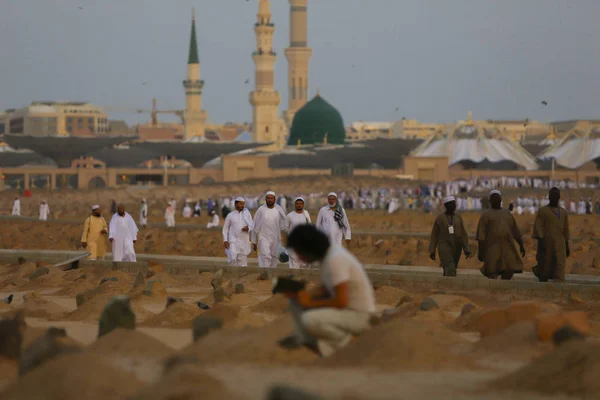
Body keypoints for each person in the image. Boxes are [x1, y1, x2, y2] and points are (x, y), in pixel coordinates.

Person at [281, 224, 376, 357]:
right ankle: (312, 343)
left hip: (359, 315)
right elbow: (327, 288)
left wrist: (310, 303)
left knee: (310, 319)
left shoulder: (335, 260)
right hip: (346, 312)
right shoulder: (328, 256)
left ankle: (348, 346)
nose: (299, 258)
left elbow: (341, 301)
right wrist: (303, 295)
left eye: (300, 253)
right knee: (295, 303)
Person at [476, 190, 525, 280]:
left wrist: (521, 245)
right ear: (490, 202)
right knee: (492, 271)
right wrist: (480, 253)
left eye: (498, 200)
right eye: (494, 200)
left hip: (507, 250)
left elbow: (516, 232)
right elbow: (481, 237)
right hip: (492, 250)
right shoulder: (485, 215)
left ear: (500, 201)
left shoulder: (507, 214)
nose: (496, 202)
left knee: (508, 270)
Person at [532, 187, 570, 282]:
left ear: (559, 197)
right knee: (545, 266)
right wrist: (541, 241)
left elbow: (566, 230)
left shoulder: (563, 212)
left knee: (559, 265)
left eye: (556, 196)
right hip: (546, 243)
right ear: (549, 197)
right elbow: (538, 227)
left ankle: (558, 287)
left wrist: (567, 245)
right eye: (552, 196)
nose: (554, 198)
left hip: (560, 244)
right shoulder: (543, 211)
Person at [429, 196, 471, 277]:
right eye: (451, 204)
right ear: (446, 206)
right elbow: (434, 235)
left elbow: (463, 234)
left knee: (451, 268)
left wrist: (466, 248)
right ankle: (451, 287)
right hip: (444, 246)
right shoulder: (440, 218)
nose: (454, 206)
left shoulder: (458, 217)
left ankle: (446, 286)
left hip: (457, 246)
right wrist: (432, 250)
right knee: (450, 267)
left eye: (454, 204)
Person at [252, 191, 286, 268]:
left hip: (275, 238)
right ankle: (266, 273)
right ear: (265, 199)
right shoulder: (261, 210)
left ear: (274, 199)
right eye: (268, 198)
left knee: (274, 257)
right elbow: (255, 225)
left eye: (271, 198)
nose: (270, 200)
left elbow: (284, 222)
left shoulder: (278, 210)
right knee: (266, 256)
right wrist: (254, 241)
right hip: (263, 237)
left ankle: (271, 275)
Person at [223, 197, 254, 267]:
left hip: (244, 241)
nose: (242, 205)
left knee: (243, 262)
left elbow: (252, 225)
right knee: (232, 259)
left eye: (243, 204)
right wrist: (225, 240)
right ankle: (232, 275)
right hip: (233, 241)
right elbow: (225, 229)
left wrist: (248, 228)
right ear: (236, 204)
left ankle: (241, 277)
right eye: (240, 204)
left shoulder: (247, 215)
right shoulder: (230, 215)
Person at [285, 197, 312, 269]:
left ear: (303, 205)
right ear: (295, 205)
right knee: (294, 262)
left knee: (304, 262)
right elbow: (286, 228)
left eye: (300, 204)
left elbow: (309, 226)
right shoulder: (290, 215)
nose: (299, 205)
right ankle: (294, 278)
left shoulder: (306, 214)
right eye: (297, 204)